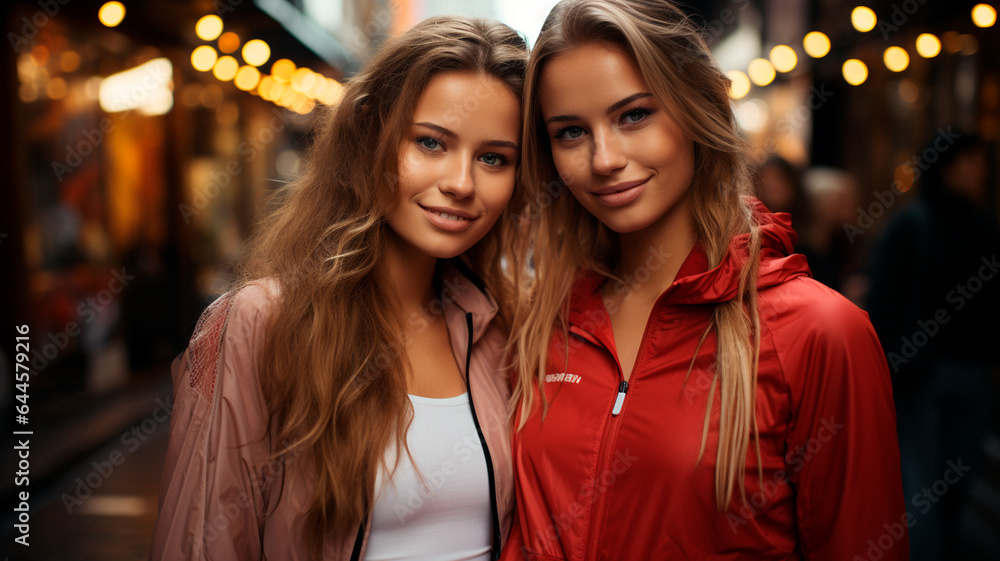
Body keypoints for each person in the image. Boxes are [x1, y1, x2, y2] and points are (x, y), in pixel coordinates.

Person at [501, 1, 907, 559]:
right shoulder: (540, 321)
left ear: (696, 108)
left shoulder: (820, 333)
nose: (603, 158)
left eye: (634, 115)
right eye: (570, 131)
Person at [151, 17, 527, 561]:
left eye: (494, 157)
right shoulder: (258, 323)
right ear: (369, 137)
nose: (462, 183)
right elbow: (200, 545)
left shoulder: (500, 328)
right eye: (430, 143)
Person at [867, 132, 1000, 560]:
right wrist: (906, 364)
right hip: (923, 378)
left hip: (973, 374)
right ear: (949, 167)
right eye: (973, 162)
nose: (982, 172)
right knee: (921, 484)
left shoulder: (984, 228)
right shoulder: (912, 226)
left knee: (958, 478)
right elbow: (885, 301)